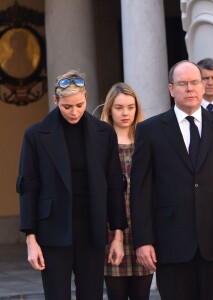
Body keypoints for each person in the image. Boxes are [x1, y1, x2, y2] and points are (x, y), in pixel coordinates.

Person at [130, 60, 213, 300]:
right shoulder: (149, 130)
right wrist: (143, 240)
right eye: (183, 84)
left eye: (194, 82)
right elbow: (141, 192)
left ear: (203, 86)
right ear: (171, 89)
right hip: (171, 244)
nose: (190, 88)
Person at [16, 70, 127, 300]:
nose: (74, 111)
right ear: (56, 101)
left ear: (86, 97)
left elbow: (115, 184)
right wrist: (31, 239)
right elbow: (29, 187)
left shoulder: (104, 132)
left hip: (92, 229)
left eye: (79, 104)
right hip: (52, 231)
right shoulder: (35, 135)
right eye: (67, 106)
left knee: (92, 295)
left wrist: (118, 235)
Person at [101, 82, 154, 300]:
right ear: (110, 110)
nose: (125, 113)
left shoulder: (146, 140)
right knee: (116, 294)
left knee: (142, 294)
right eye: (119, 107)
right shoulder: (101, 142)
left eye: (130, 107)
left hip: (142, 227)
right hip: (111, 228)